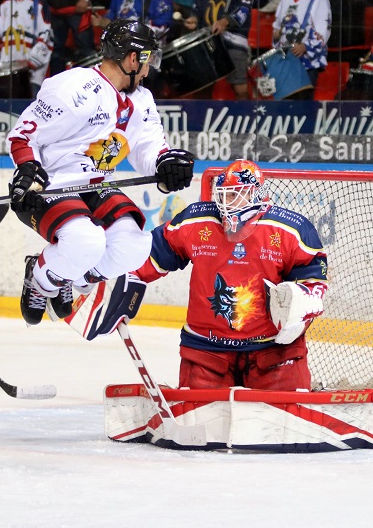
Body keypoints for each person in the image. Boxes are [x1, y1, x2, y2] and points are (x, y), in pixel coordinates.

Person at [6, 19, 194, 326]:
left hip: (96, 186)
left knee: (135, 246)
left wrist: (164, 163)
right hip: (52, 186)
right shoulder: (74, 88)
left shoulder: (141, 99)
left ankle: (69, 273)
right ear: (133, 58)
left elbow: (148, 145)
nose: (148, 71)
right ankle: (40, 279)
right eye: (147, 61)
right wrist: (28, 169)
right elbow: (24, 136)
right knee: (86, 241)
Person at [133, 159, 328, 390]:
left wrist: (300, 308)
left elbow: (314, 279)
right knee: (201, 419)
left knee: (285, 419)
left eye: (235, 195)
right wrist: (127, 278)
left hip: (273, 351)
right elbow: (153, 252)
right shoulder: (196, 221)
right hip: (207, 349)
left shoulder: (291, 230)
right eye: (224, 195)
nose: (226, 203)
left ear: (257, 194)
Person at [184, 0, 259, 100]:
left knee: (240, 88)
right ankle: (203, 121)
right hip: (206, 39)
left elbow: (244, 7)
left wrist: (225, 22)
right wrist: (194, 17)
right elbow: (198, 3)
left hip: (234, 39)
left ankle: (244, 119)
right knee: (202, 88)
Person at [270, 0, 331, 98]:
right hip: (286, 60)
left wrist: (306, 46)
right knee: (285, 103)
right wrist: (277, 35)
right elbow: (278, 24)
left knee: (303, 104)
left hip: (307, 62)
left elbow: (323, 31)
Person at [37, 0, 103, 75]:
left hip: (78, 9)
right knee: (55, 52)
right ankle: (56, 87)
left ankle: (91, 85)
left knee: (86, 52)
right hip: (54, 8)